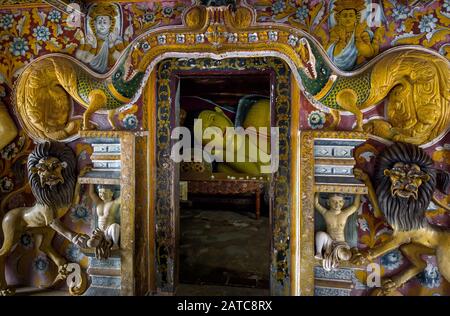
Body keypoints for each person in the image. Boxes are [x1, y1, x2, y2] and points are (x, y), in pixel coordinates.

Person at [75, 3, 128, 73]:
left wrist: (111, 45)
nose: (102, 24)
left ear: (110, 23)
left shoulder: (116, 39)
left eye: (105, 22)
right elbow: (83, 58)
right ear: (94, 24)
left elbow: (123, 59)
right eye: (99, 22)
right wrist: (90, 45)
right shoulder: (91, 39)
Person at [314, 193, 361, 270]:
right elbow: (316, 204)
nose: (337, 204)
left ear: (343, 202)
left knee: (346, 256)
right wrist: (317, 192)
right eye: (334, 201)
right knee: (320, 234)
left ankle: (336, 260)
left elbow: (355, 206)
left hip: (340, 244)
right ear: (328, 203)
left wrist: (358, 193)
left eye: (340, 201)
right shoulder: (326, 213)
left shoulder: (344, 214)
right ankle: (319, 253)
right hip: (329, 242)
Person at [87, 184, 120, 259]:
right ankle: (99, 246)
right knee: (91, 243)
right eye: (100, 192)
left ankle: (115, 244)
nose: (101, 195)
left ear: (111, 193)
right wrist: (92, 182)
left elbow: (123, 197)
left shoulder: (114, 203)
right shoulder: (99, 202)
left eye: (104, 192)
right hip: (100, 232)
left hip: (109, 231)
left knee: (115, 226)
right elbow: (91, 193)